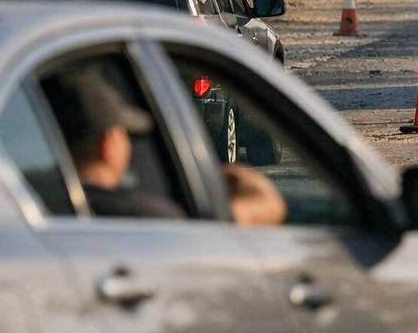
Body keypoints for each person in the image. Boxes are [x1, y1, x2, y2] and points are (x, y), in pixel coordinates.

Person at [43, 70, 286, 225]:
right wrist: (230, 174)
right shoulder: (148, 219)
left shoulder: (36, 204)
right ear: (106, 144)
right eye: (125, 133)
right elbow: (268, 208)